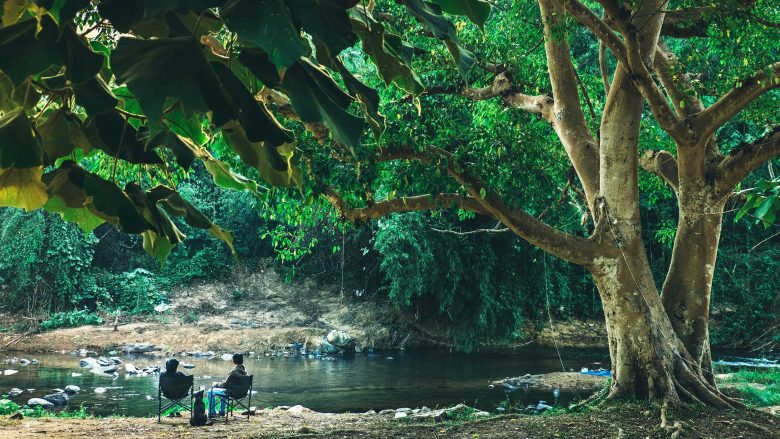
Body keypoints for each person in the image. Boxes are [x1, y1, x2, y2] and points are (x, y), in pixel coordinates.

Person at [207, 353, 247, 418]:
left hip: (232, 393)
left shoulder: (234, 372)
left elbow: (225, 385)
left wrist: (216, 384)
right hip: (242, 393)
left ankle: (212, 413)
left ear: (234, 361)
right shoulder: (245, 372)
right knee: (225, 391)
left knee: (210, 391)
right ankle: (222, 412)